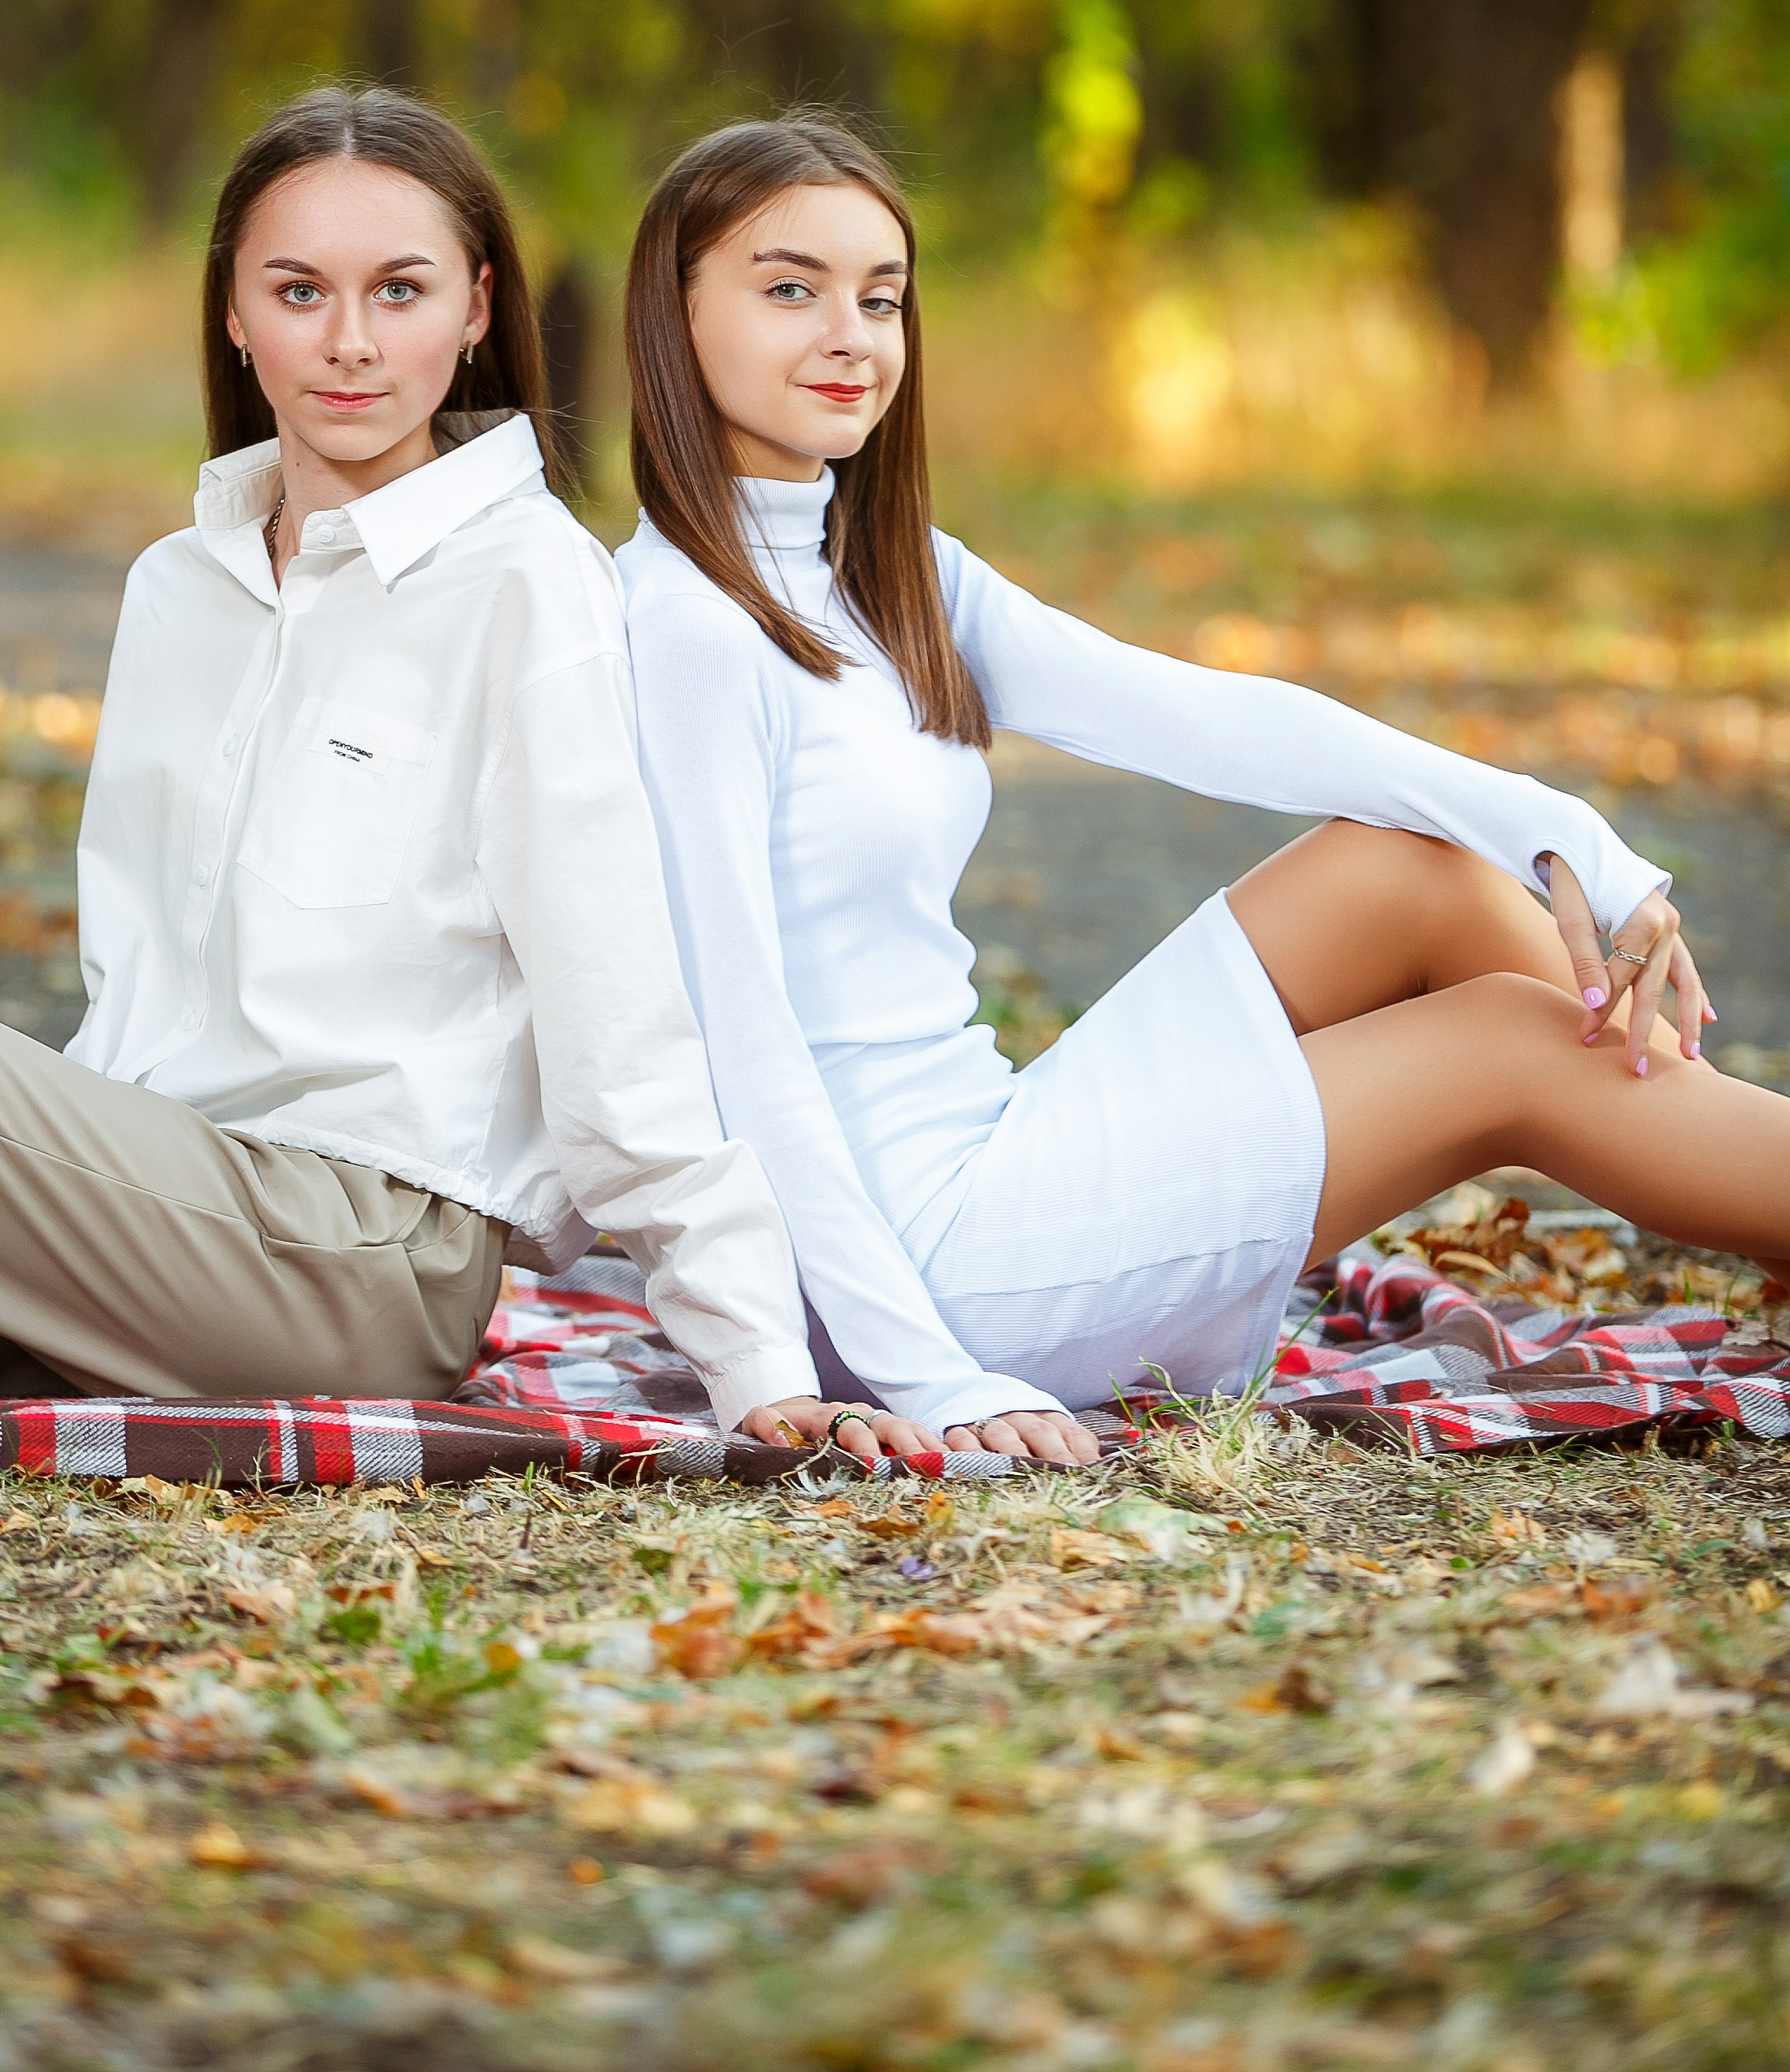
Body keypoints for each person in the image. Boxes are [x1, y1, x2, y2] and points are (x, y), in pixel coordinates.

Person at [616, 111, 1790, 1470]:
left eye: (881, 298)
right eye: (788, 289)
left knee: (1409, 867)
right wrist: (930, 1375)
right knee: (1518, 1042)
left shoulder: (889, 570)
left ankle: (1742, 1176)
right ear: (673, 311)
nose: (851, 336)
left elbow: (1210, 720)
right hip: (919, 1274)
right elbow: (741, 1057)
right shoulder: (686, 629)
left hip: (998, 1144)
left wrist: (1568, 834)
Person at [0, 87, 843, 1449]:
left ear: (477, 309)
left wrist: (759, 1360)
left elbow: (620, 1007)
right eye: (299, 290)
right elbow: (139, 993)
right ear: (236, 313)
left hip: (358, 1252)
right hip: (151, 1203)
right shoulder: (177, 588)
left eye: (401, 290)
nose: (351, 343)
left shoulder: (530, 586)